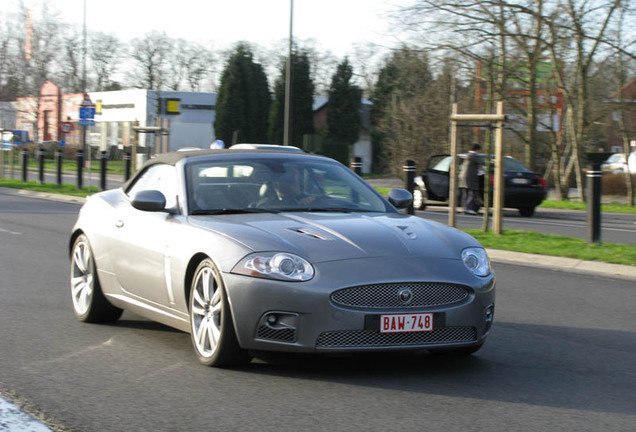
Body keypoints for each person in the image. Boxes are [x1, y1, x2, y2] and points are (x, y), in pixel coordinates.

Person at [459, 143, 483, 215]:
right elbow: (483, 162)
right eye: (479, 150)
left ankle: (464, 208)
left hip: (463, 177)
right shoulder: (474, 156)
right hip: (470, 178)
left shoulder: (467, 156)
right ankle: (468, 208)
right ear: (477, 150)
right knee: (473, 193)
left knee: (465, 194)